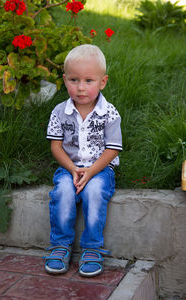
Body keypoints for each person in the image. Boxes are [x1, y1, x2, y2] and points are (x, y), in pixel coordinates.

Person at [44, 44, 122, 277]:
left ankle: (92, 248)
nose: (80, 88)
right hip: (69, 167)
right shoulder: (60, 111)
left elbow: (112, 149)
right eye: (74, 80)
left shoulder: (109, 113)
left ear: (103, 82)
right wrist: (73, 169)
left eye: (89, 80)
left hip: (100, 169)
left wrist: (90, 171)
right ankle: (60, 245)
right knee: (63, 192)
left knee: (94, 192)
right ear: (65, 79)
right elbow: (56, 146)